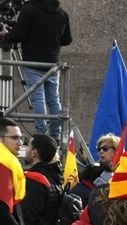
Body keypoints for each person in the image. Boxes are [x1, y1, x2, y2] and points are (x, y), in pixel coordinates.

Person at [2, 0, 72, 139]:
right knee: (53, 99)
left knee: (37, 98)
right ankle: (55, 136)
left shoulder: (29, 9)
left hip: (32, 61)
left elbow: (19, 35)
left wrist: (6, 34)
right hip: (52, 63)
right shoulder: (62, 13)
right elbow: (67, 39)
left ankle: (41, 134)